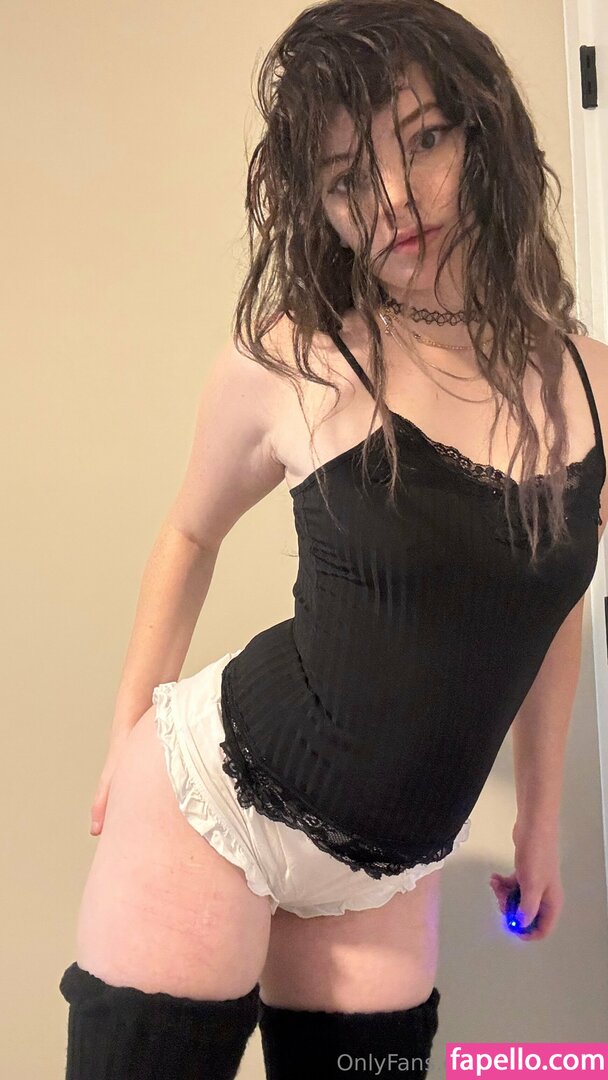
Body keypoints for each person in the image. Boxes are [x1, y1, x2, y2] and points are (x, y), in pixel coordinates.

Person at [59, 1, 607, 1077]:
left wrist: (538, 820)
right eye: (348, 178)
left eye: (424, 139)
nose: (395, 201)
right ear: (316, 207)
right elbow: (189, 531)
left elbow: (547, 600)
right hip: (216, 808)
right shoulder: (297, 360)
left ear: (484, 132)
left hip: (389, 873)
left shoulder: (594, 383)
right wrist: (126, 742)